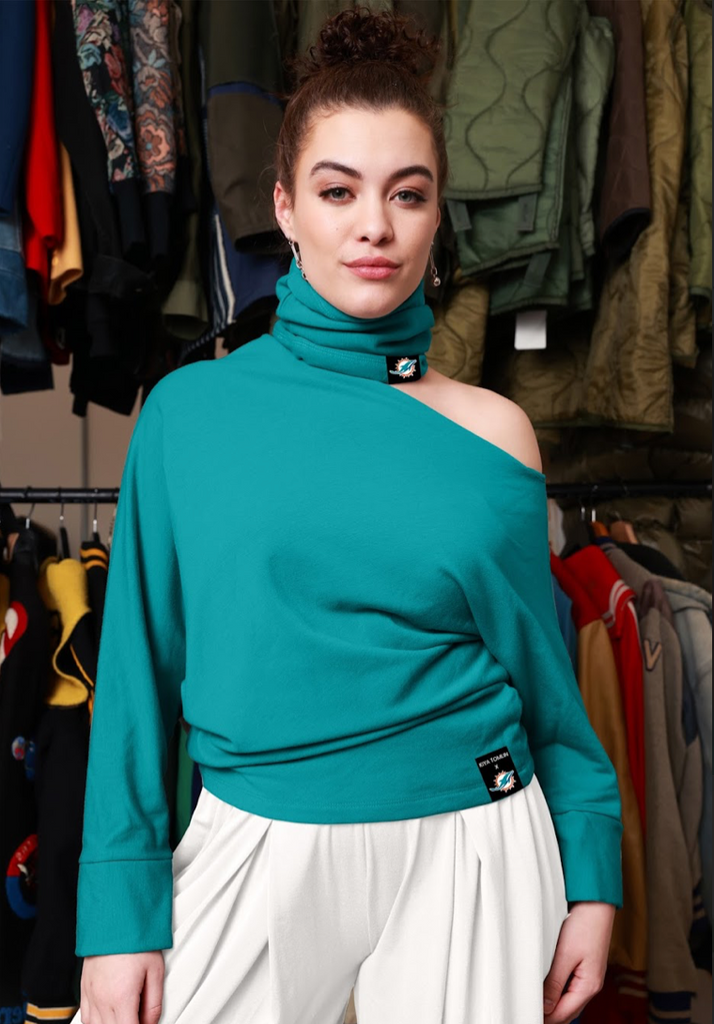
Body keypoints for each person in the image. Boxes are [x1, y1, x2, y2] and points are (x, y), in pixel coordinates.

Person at [72, 8, 622, 1024]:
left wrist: (592, 877)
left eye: (407, 194)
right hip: (256, 831)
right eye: (338, 191)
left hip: (477, 833)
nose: (375, 225)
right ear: (285, 207)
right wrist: (115, 915)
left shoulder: (497, 433)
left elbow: (547, 687)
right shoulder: (190, 414)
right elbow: (136, 675)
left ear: (437, 214)